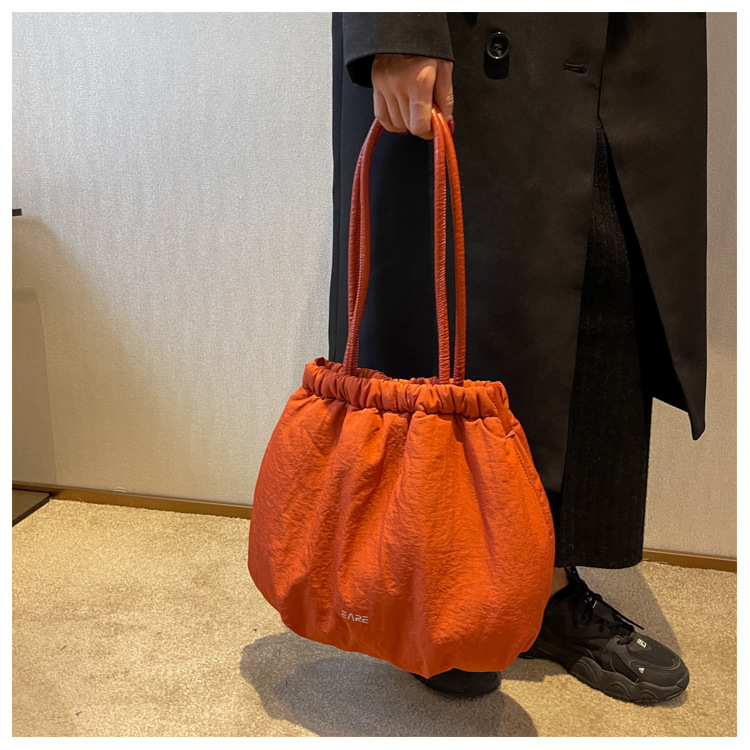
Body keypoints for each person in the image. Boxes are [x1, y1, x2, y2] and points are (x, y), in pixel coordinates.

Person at [329, 13, 707, 703]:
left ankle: (546, 586)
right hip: (462, 34)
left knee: (604, 260)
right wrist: (395, 25)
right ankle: (440, 584)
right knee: (454, 287)